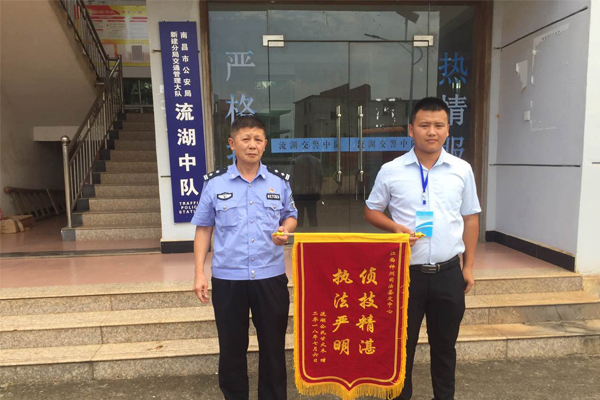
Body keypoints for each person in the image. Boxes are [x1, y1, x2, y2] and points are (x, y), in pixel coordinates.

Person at [364, 97, 481, 400]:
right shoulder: (391, 170)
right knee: (401, 348)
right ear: (410, 129)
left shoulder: (461, 169)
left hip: (448, 273)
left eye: (439, 125)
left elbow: (470, 218)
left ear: (447, 130)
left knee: (445, 348)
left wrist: (468, 266)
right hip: (405, 275)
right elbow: (372, 210)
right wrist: (395, 228)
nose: (432, 131)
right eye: (424, 125)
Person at [192, 115, 298, 400]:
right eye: (246, 139)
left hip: (270, 277)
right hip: (229, 279)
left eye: (258, 139)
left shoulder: (279, 182)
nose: (253, 145)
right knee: (231, 348)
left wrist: (285, 230)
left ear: (265, 144)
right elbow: (204, 229)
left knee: (273, 348)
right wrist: (199, 273)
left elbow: (290, 216)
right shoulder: (215, 184)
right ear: (232, 143)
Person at [289, 153, 323, 227]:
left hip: (298, 192)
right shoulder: (316, 161)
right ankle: (314, 231)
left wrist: (291, 190)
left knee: (299, 216)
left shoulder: (295, 161)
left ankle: (299, 231)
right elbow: (320, 177)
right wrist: (319, 189)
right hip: (312, 192)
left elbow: (291, 177)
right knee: (312, 215)